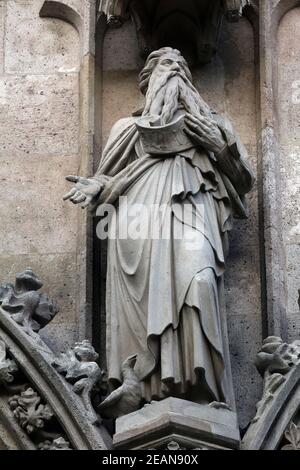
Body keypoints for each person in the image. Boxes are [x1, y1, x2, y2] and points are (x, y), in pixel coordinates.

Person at [64, 47, 254, 411]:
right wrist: (96, 187)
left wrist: (218, 147)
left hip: (194, 208)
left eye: (183, 65)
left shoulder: (215, 125)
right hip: (138, 221)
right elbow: (110, 177)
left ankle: (201, 388)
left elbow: (244, 181)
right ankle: (146, 386)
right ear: (148, 79)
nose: (176, 70)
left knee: (198, 282)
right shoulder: (127, 129)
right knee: (148, 300)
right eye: (167, 64)